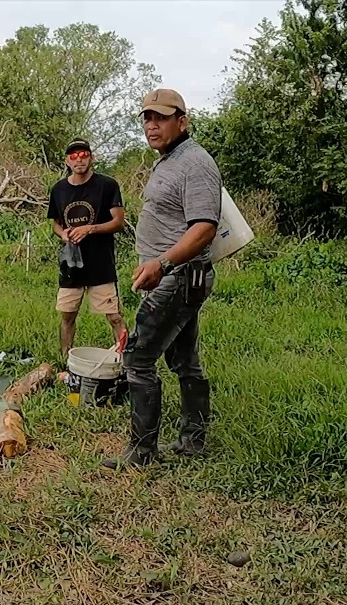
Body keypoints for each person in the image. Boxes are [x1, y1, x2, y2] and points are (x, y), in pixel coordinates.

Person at [102, 89, 220, 469]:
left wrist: (162, 265)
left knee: (138, 358)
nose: (152, 126)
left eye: (161, 118)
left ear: (182, 122)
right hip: (175, 277)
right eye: (147, 118)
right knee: (184, 360)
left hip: (178, 278)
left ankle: (142, 452)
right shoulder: (168, 160)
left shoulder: (195, 162)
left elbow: (204, 228)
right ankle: (192, 441)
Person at [47, 138, 126, 359]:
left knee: (114, 316)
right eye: (73, 156)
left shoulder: (107, 185)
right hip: (71, 264)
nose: (79, 160)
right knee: (67, 316)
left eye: (83, 155)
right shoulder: (59, 189)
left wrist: (90, 229)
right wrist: (63, 234)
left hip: (100, 263)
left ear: (92, 158)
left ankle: (127, 362)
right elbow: (55, 223)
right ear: (67, 161)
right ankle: (66, 360)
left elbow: (118, 222)